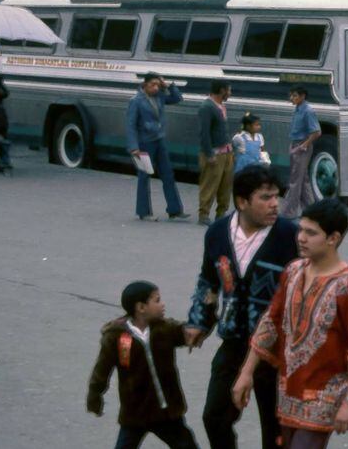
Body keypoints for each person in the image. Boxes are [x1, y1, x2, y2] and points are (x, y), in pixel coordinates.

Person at [236, 199, 348, 448]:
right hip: (288, 393)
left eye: (311, 233)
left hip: (324, 398)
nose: (301, 238)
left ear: (333, 238)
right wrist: (246, 373)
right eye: (301, 230)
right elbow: (270, 322)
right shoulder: (293, 271)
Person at [186, 165, 300, 449]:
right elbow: (209, 282)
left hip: (277, 348)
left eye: (276, 196)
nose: (275, 204)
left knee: (276, 431)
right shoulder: (217, 234)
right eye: (265, 197)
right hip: (236, 341)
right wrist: (199, 322)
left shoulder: (291, 236)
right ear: (242, 201)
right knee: (215, 417)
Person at [87, 281, 199, 449]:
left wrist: (203, 320)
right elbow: (101, 370)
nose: (162, 304)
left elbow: (189, 332)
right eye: (157, 300)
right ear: (141, 307)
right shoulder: (116, 337)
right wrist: (95, 394)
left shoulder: (165, 329)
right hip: (135, 413)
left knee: (186, 445)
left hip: (166, 412)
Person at [125, 72, 188, 222]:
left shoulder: (159, 96)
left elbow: (177, 98)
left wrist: (169, 86)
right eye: (152, 85)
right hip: (144, 143)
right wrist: (134, 147)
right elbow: (131, 125)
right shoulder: (136, 101)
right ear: (144, 84)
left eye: (157, 85)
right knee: (144, 177)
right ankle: (144, 212)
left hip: (159, 140)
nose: (155, 88)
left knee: (168, 174)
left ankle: (174, 210)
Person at [197, 80, 234, 227]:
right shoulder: (206, 107)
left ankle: (221, 213)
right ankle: (204, 214)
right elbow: (203, 133)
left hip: (227, 153)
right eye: (229, 90)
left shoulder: (221, 106)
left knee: (225, 186)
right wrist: (209, 154)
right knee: (210, 185)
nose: (230, 94)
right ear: (222, 90)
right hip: (214, 154)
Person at [281, 85, 321, 219]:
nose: (291, 98)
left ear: (302, 96)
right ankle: (311, 210)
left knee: (295, 180)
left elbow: (316, 132)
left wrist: (304, 145)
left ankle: (288, 213)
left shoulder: (308, 111)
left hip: (301, 146)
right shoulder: (298, 109)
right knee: (303, 180)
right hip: (295, 144)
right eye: (291, 95)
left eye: (295, 96)